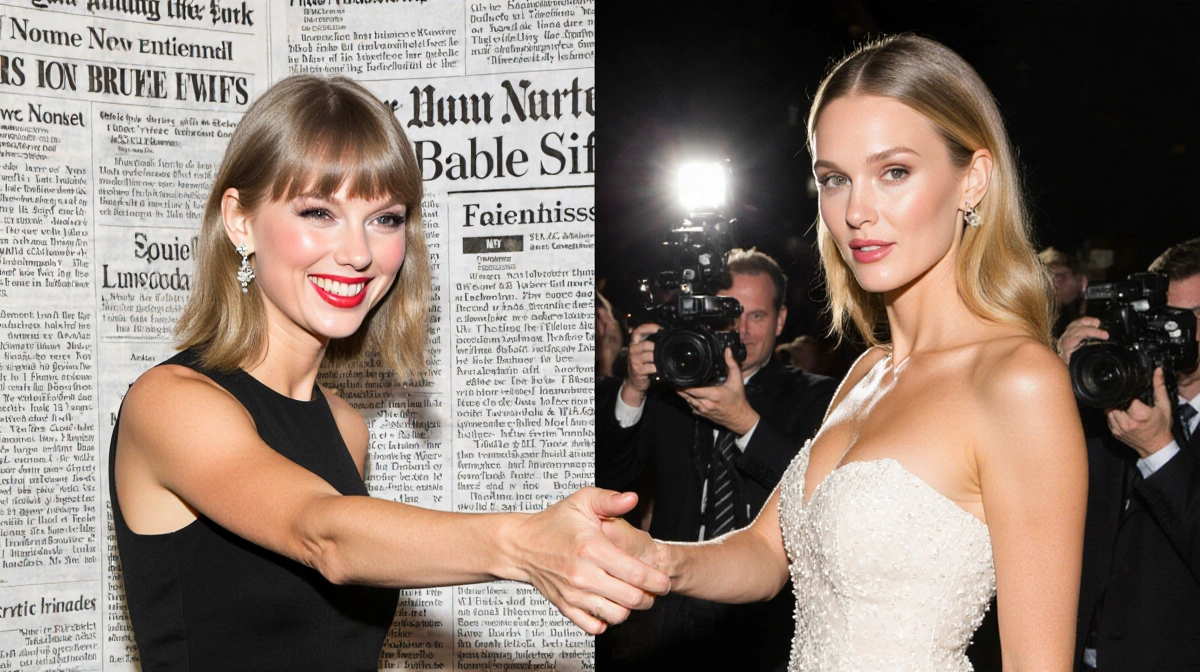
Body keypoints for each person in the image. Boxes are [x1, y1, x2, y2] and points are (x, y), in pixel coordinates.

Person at [109, 75, 668, 671]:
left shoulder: (347, 426)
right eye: (319, 211)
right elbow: (323, 536)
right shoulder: (170, 400)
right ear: (241, 222)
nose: (358, 253)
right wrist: (522, 543)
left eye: (385, 218)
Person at [604, 34, 1088, 671]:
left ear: (972, 179)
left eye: (894, 172)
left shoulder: (1018, 382)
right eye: (835, 179)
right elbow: (766, 556)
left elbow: (1039, 664)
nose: (858, 210)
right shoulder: (865, 371)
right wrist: (654, 559)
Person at [596, 249, 837, 671]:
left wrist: (744, 421)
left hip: (765, 627)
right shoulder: (671, 387)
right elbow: (612, 479)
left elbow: (818, 499)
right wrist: (633, 390)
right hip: (668, 621)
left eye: (757, 316)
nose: (741, 330)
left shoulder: (815, 396)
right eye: (731, 314)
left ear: (780, 320)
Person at [1058, 237, 1200, 671]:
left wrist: (1160, 452)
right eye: (1162, 318)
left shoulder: (1143, 424)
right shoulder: (1111, 394)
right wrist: (1060, 381)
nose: (1175, 332)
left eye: (1192, 318)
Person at [1040, 246, 1088, 338]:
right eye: (1049, 277)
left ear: (1079, 280)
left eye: (1062, 276)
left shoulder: (1086, 310)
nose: (1056, 282)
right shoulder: (1037, 314)